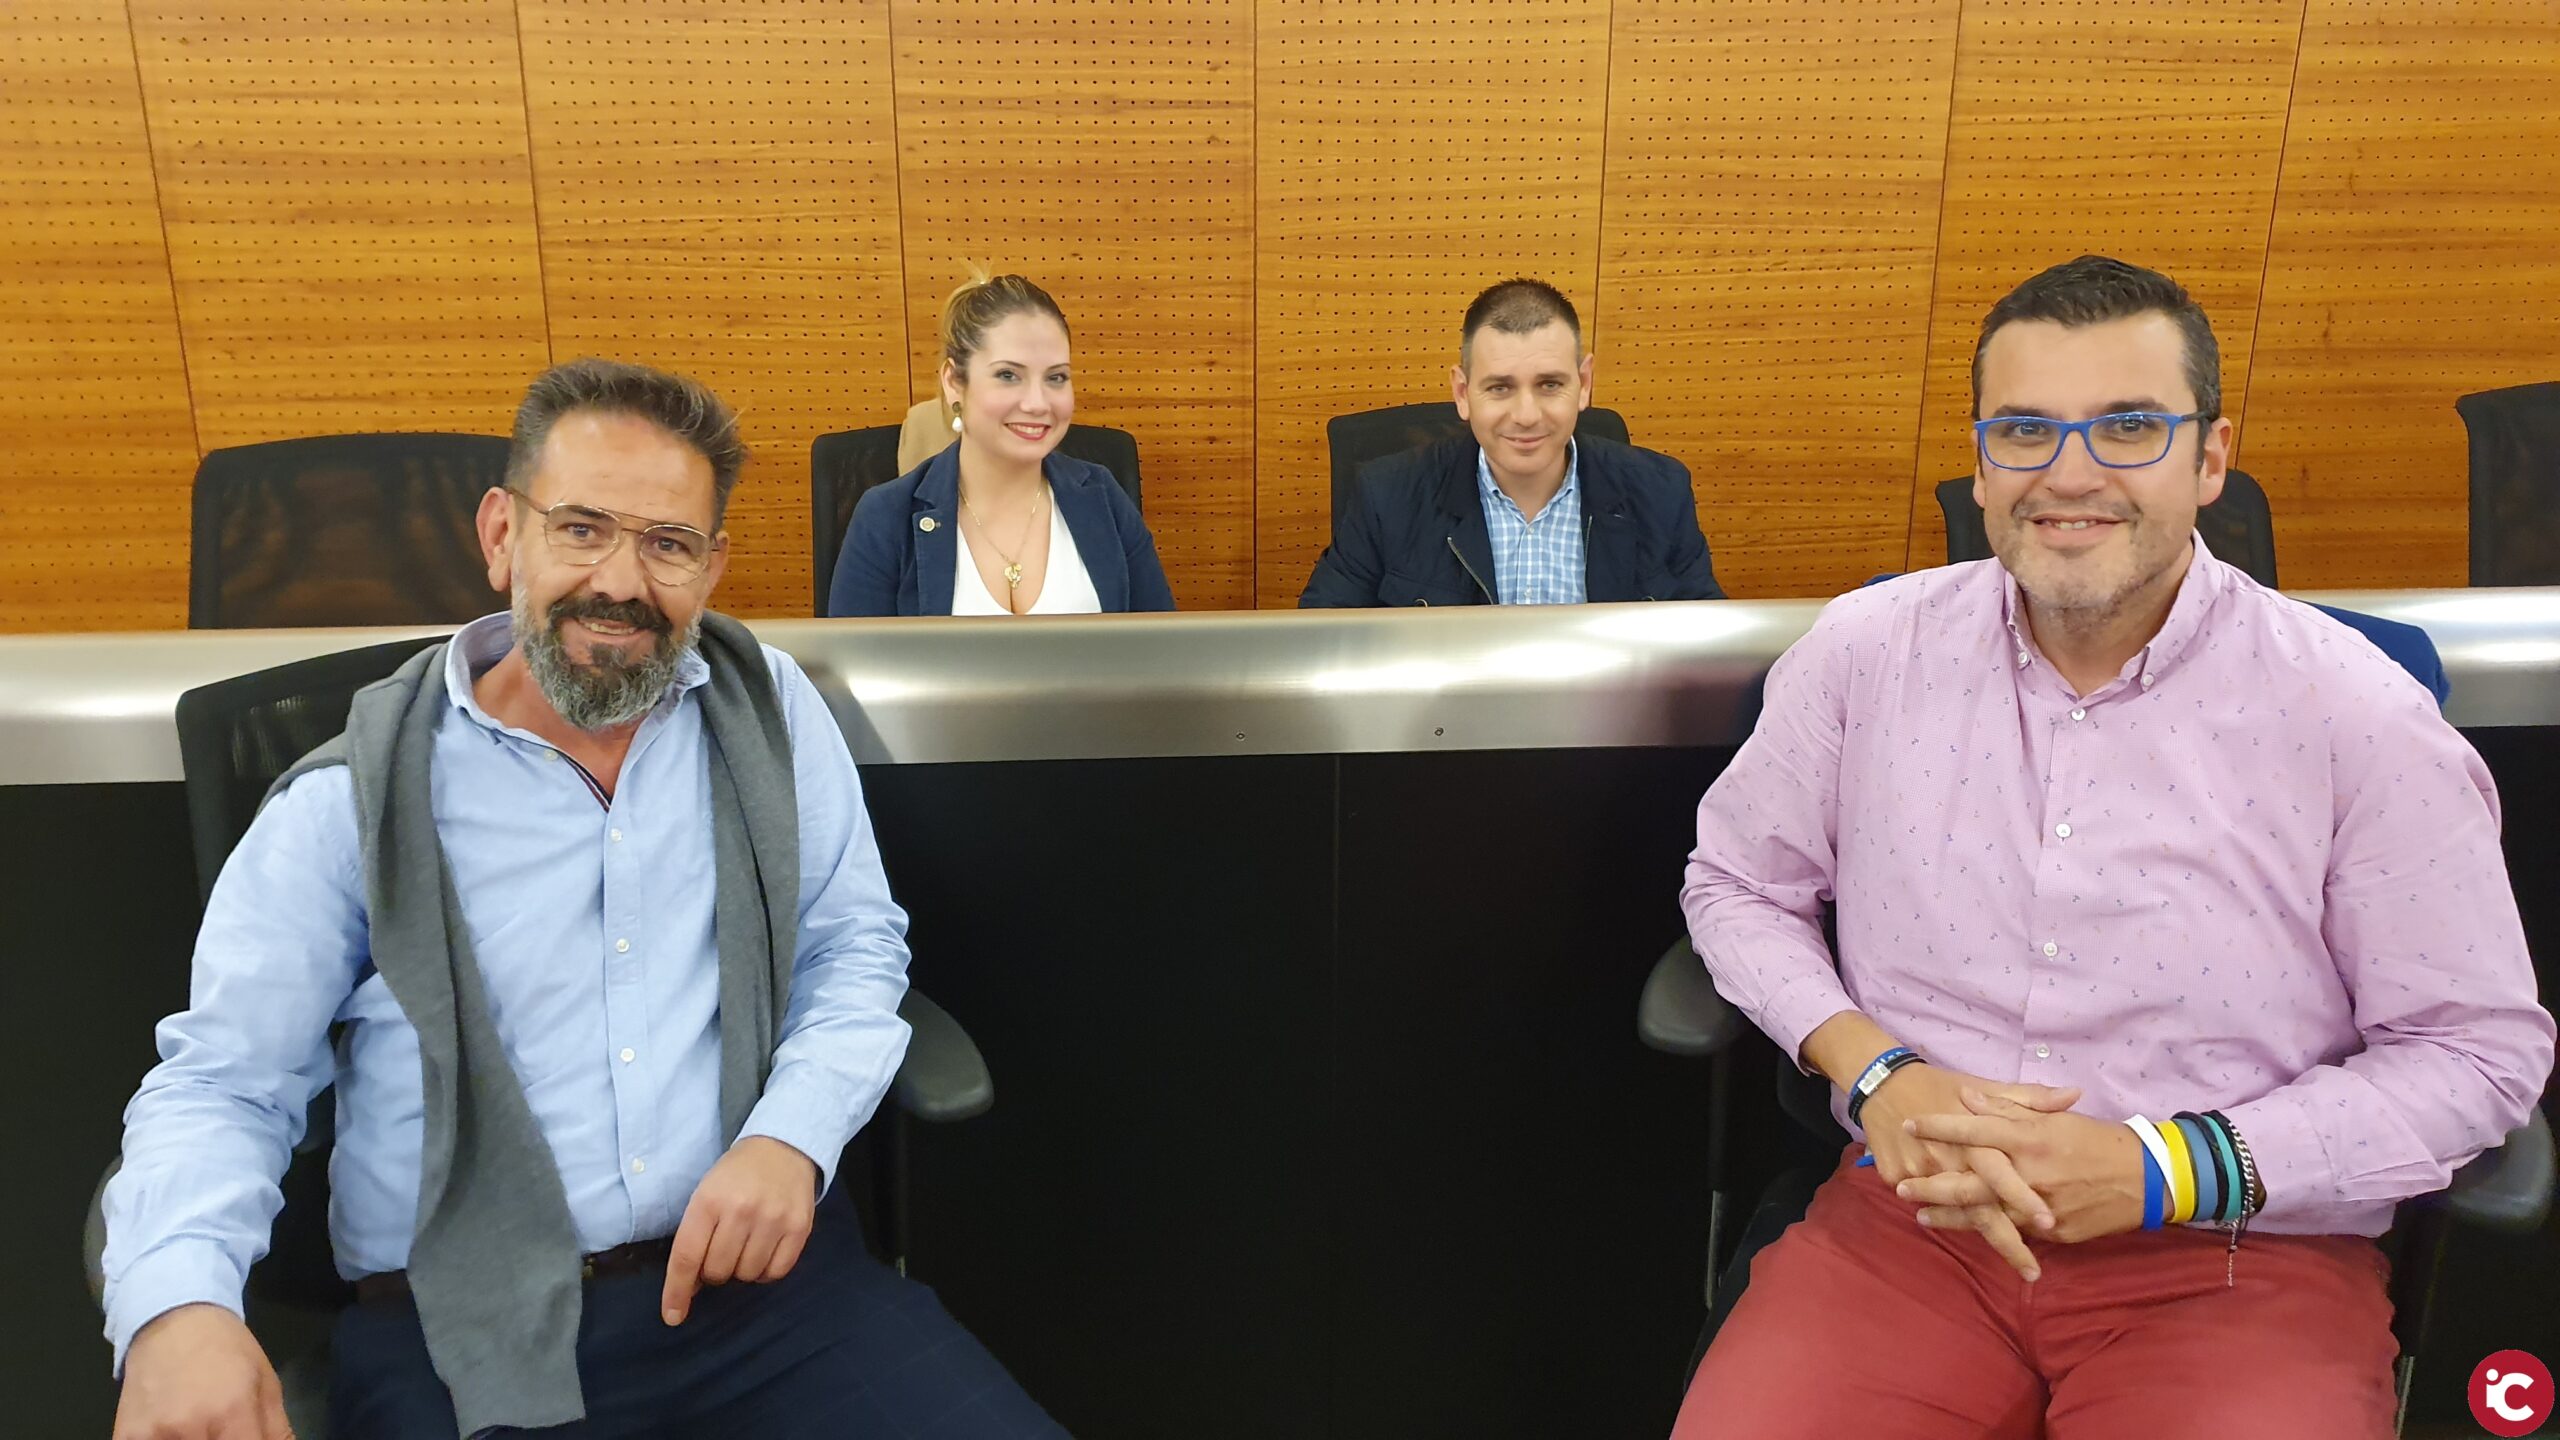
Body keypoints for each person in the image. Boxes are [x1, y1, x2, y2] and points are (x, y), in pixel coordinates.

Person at [102, 358, 1066, 1439]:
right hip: (465, 1334)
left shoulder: (767, 712)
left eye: (669, 544)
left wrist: (789, 1140)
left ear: (711, 567)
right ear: (502, 535)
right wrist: (177, 1310)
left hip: (763, 1294)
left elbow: (850, 946)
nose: (620, 581)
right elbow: (226, 1085)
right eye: (581, 529)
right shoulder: (350, 799)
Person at [1673, 256, 2554, 1438]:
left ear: (2210, 458)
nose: (2069, 474)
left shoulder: (2357, 716)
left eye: (2129, 427)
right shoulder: (1863, 653)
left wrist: (2162, 1169)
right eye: (2023, 430)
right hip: (1917, 1220)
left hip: (2234, 1257)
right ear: (1980, 464)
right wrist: (1874, 1070)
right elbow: (1737, 884)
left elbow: (2475, 1055)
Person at [1298, 278, 1722, 607]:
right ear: (1462, 393)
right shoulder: (1386, 496)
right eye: (1499, 388)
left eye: (1550, 384)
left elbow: (1708, 653)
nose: (1526, 415)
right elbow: (1326, 642)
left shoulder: (1660, 492)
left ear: (1584, 383)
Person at [829, 272, 1175, 616]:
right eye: (1008, 375)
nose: (1037, 403)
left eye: (1056, 377)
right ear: (953, 382)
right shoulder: (884, 517)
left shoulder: (1103, 497)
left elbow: (1161, 643)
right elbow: (854, 653)